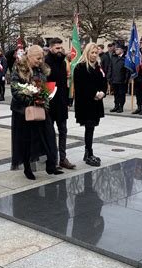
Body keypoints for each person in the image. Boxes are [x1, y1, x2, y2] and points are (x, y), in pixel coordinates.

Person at [10, 45, 63, 180]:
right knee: (26, 140)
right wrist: (31, 97)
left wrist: (43, 95)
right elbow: (15, 90)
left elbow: (43, 86)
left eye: (42, 58)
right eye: (38, 58)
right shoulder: (18, 68)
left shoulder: (41, 69)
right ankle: (27, 168)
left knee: (49, 135)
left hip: (40, 108)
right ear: (30, 56)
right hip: (23, 111)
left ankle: (51, 165)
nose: (40, 61)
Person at [73, 43, 107, 166]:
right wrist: (94, 93)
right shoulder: (80, 67)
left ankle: (88, 152)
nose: (94, 55)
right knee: (89, 127)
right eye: (91, 53)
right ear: (87, 53)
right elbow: (81, 87)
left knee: (92, 127)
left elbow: (104, 81)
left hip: (97, 102)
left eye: (95, 53)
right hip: (86, 103)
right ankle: (89, 152)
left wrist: (103, 92)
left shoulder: (98, 67)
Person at [45, 37, 76, 169]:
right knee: (50, 133)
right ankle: (52, 159)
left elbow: (65, 83)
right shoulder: (46, 62)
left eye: (60, 48)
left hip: (61, 103)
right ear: (51, 48)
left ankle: (63, 159)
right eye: (57, 48)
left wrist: (69, 100)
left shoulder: (63, 62)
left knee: (63, 131)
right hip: (50, 103)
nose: (59, 50)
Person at [107, 43, 128, 113]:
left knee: (121, 94)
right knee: (116, 94)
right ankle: (116, 106)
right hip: (114, 79)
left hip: (122, 80)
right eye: (115, 49)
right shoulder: (113, 57)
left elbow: (127, 70)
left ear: (122, 50)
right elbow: (110, 67)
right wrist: (109, 77)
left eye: (118, 49)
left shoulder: (125, 58)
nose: (116, 50)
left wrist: (126, 79)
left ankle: (121, 107)